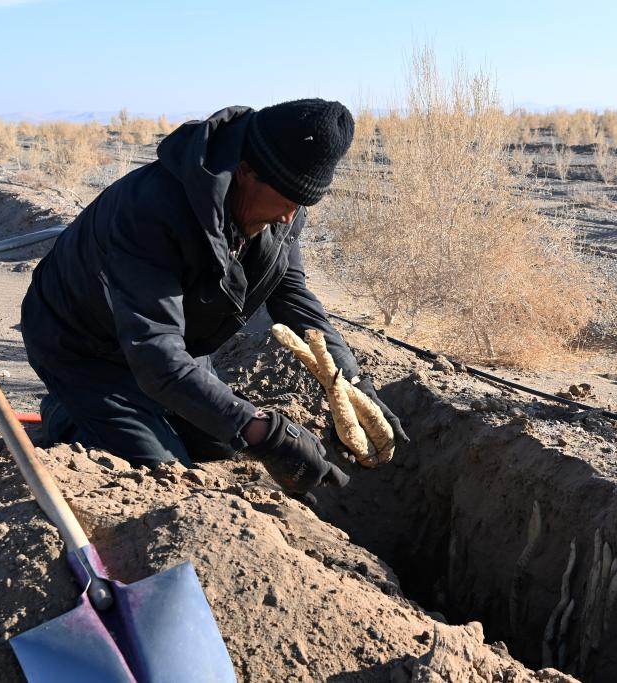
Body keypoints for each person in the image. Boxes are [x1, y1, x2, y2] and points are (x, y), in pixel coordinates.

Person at [20, 100, 408, 501]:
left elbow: (293, 296)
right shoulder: (151, 210)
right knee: (163, 472)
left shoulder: (281, 202)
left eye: (303, 203)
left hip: (173, 340)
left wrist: (355, 385)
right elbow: (154, 353)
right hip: (83, 346)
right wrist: (264, 431)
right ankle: (65, 411)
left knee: (223, 447)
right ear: (246, 171)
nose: (290, 218)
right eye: (289, 199)